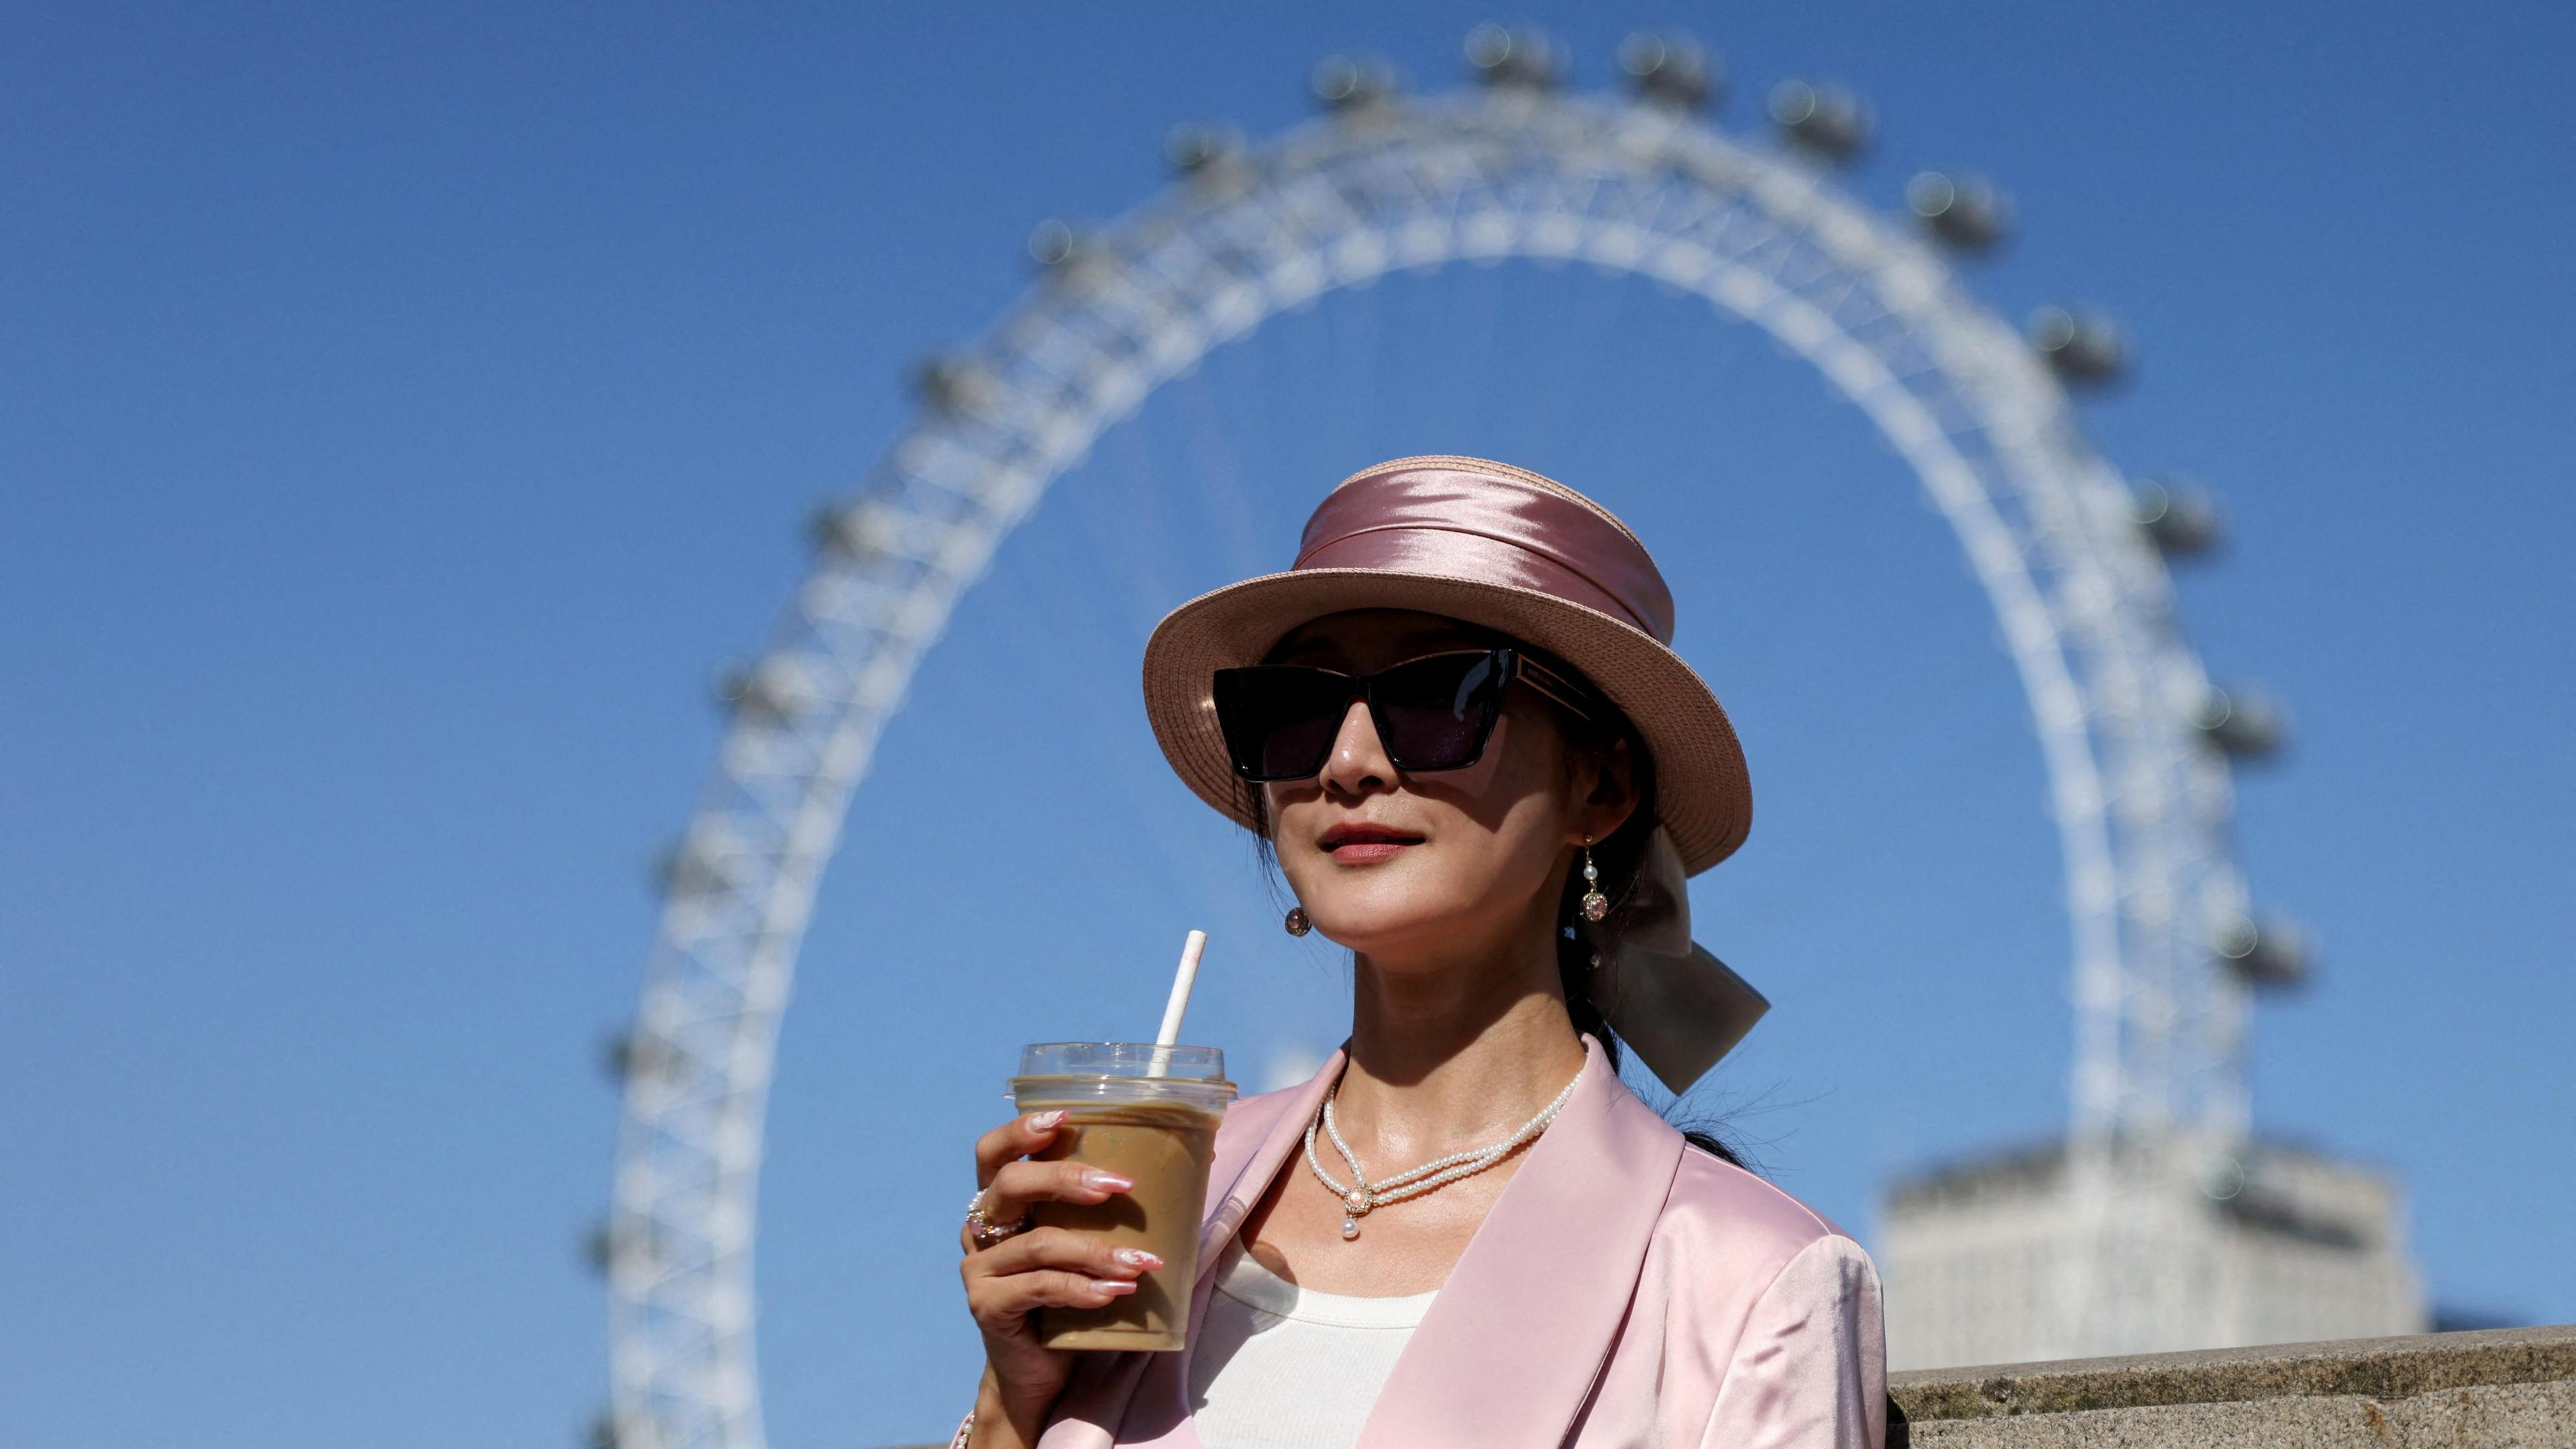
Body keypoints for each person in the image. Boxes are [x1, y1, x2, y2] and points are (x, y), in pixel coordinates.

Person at [954, 456, 1886, 1448]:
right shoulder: (1150, 1202)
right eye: (1297, 709)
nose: (1347, 762)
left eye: (1439, 696)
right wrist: (1012, 1404)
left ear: (1599, 790)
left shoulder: (1748, 1280)